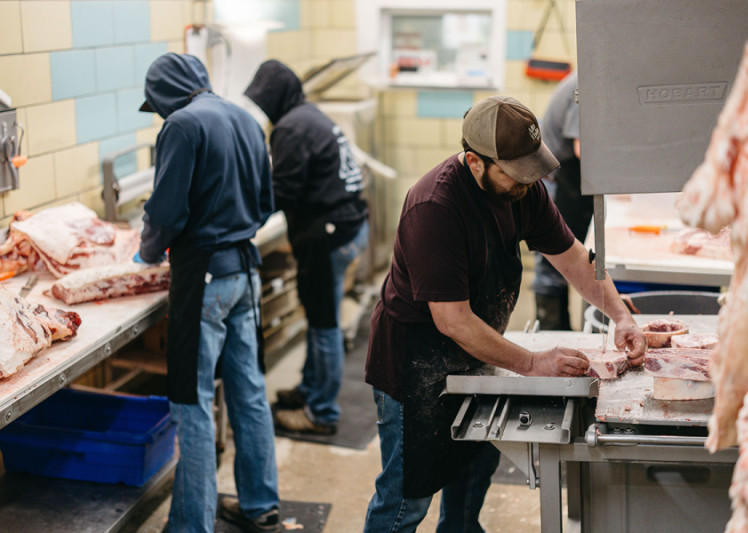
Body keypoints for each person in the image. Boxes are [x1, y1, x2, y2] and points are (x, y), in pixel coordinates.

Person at [362, 95, 646, 532]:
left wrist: (622, 316)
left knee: (471, 473)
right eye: (516, 174)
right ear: (475, 162)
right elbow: (452, 319)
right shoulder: (434, 207)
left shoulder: (522, 192)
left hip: (476, 349)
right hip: (415, 362)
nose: (527, 183)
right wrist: (532, 363)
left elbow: (572, 258)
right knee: (407, 498)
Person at [136, 53, 281, 533]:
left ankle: (189, 526)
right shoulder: (244, 117)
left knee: (192, 402)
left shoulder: (181, 124)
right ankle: (262, 506)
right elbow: (265, 203)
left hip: (203, 280)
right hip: (245, 270)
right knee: (248, 391)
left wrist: (148, 251)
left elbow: (166, 212)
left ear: (163, 94)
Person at [244, 60, 370, 436]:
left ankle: (321, 413)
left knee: (323, 323)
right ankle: (309, 389)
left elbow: (283, 191)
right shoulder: (309, 115)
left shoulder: (291, 127)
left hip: (328, 235)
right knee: (320, 315)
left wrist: (241, 219)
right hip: (348, 226)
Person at [534, 71, 594, 330]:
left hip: (568, 175)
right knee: (554, 258)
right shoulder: (587, 84)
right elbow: (584, 149)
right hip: (554, 178)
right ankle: (552, 331)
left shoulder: (593, 80)